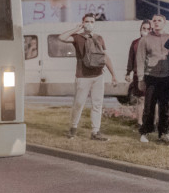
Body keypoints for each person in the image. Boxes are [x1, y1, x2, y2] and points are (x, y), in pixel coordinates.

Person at [58, 13, 118, 141]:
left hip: (98, 75)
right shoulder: (77, 37)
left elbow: (105, 57)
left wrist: (113, 75)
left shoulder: (99, 38)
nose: (89, 24)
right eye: (86, 21)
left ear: (94, 23)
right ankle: (73, 128)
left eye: (91, 21)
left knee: (97, 104)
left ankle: (95, 131)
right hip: (82, 76)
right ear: (83, 22)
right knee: (79, 103)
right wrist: (76, 28)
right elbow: (61, 37)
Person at [136, 14, 169, 144]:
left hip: (167, 77)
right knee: (149, 107)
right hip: (151, 77)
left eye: (159, 21)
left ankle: (163, 133)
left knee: (165, 107)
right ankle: (145, 132)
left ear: (164, 23)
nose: (157, 23)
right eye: (154, 21)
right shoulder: (145, 40)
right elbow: (140, 60)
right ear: (152, 23)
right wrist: (141, 79)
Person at [125, 20, 151, 126]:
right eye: (144, 28)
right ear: (140, 30)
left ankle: (153, 121)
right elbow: (131, 58)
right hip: (138, 74)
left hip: (151, 74)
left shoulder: (154, 42)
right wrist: (128, 72)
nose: (146, 31)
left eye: (148, 29)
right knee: (141, 99)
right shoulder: (135, 43)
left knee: (153, 99)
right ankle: (140, 122)